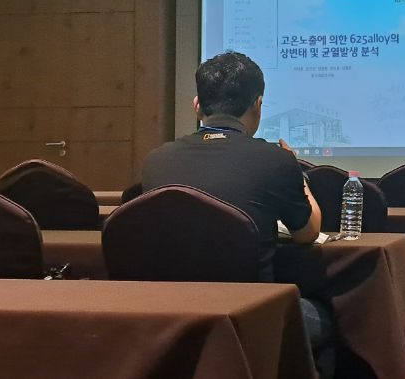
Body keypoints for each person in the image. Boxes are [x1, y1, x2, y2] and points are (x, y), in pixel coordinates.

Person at [142, 51, 333, 375]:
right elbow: (308, 233)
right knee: (329, 318)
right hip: (252, 314)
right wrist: (298, 174)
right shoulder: (275, 160)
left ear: (197, 106)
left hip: (169, 315)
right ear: (258, 105)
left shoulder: (156, 160)